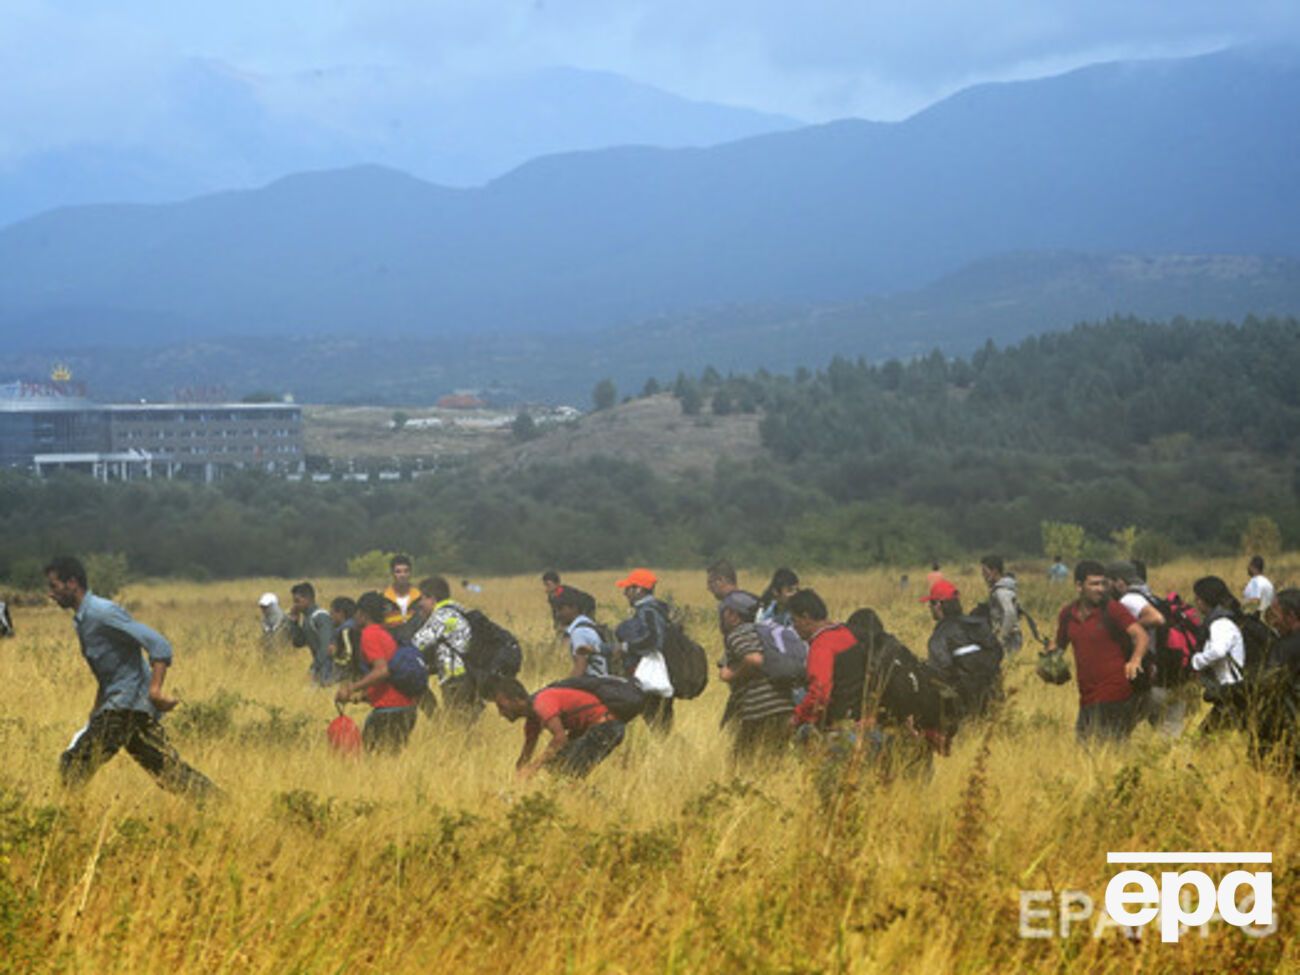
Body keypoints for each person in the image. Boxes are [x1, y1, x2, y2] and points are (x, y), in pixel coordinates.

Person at [45, 555, 217, 800]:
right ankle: (221, 806)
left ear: (72, 582)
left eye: (54, 586)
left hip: (125, 707)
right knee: (169, 772)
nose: (51, 594)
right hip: (126, 706)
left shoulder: (101, 612)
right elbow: (110, 672)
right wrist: (95, 711)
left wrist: (155, 691)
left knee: (73, 765)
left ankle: (63, 821)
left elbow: (159, 644)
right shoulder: (83, 620)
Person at [1045, 560, 1149, 743]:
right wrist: (1051, 655)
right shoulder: (1067, 614)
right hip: (1087, 695)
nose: (1100, 589)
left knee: (1110, 750)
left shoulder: (1113, 609)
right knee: (1084, 750)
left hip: (1115, 692)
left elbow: (1140, 635)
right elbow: (1060, 645)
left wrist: (1135, 660)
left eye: (1103, 583)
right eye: (1094, 584)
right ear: (1079, 586)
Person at [488, 675, 626, 778]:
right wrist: (518, 775)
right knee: (554, 768)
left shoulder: (542, 703)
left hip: (607, 728)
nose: (501, 713)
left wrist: (533, 768)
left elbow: (560, 739)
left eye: (502, 706)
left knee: (567, 775)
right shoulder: (532, 721)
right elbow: (526, 754)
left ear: (517, 700)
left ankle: (599, 805)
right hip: (599, 730)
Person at [334, 591, 417, 752]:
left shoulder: (370, 634)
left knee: (374, 763)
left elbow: (382, 671)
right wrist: (360, 697)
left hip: (389, 712)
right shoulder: (385, 633)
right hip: (405, 708)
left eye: (356, 613)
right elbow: (388, 678)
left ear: (362, 614)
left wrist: (351, 688)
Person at [1106, 561, 1182, 734]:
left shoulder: (1129, 599)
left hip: (1150, 678)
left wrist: (1130, 629)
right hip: (1170, 677)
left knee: (1116, 729)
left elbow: (1156, 618)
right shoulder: (1150, 596)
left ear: (1119, 582)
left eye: (1108, 582)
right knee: (1169, 736)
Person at [719, 591, 794, 761]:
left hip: (759, 709)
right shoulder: (765, 630)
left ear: (733, 615)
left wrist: (732, 674)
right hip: (784, 704)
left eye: (726, 612)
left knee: (740, 763)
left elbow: (754, 659)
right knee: (774, 761)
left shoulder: (738, 634)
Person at [922, 580, 1002, 719]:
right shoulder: (977, 623)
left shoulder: (940, 636)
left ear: (939, 605)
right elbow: (998, 651)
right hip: (993, 695)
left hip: (963, 705)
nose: (930, 607)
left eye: (931, 603)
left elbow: (939, 672)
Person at [789, 589, 863, 730]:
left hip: (837, 717)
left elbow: (819, 694)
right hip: (857, 711)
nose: (794, 626)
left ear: (806, 618)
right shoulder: (844, 632)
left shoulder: (821, 646)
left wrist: (797, 719)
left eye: (794, 620)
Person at [614, 568, 674, 733]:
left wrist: (626, 647)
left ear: (639, 589)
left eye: (628, 589)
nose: (625, 593)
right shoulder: (654, 609)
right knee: (660, 727)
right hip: (652, 675)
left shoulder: (648, 611)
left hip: (648, 677)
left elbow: (653, 641)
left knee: (660, 729)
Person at [410, 576, 478, 717]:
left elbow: (416, 644)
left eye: (422, 599)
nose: (420, 604)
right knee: (468, 724)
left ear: (432, 598)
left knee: (457, 725)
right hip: (472, 676)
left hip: (456, 679)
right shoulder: (459, 609)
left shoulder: (441, 616)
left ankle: (438, 723)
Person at [1191, 576, 1248, 734]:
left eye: (1197, 598)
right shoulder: (1222, 620)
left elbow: (1218, 651)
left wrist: (1196, 661)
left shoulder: (1220, 623)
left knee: (1204, 741)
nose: (1196, 602)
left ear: (1204, 600)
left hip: (1231, 691)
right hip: (1229, 693)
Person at [287, 581, 337, 686]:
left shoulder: (320, 616)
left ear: (307, 599)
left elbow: (326, 646)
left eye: (297, 601)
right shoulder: (307, 618)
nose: (295, 605)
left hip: (329, 666)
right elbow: (298, 642)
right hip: (320, 665)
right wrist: (294, 622)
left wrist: (314, 667)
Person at [554, 588, 611, 678]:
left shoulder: (579, 632)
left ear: (574, 608)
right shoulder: (588, 624)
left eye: (561, 609)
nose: (557, 614)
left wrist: (563, 686)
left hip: (593, 681)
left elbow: (580, 667)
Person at [979, 555, 1023, 658]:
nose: (983, 575)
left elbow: (1010, 613)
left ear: (994, 571)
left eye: (985, 571)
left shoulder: (1001, 591)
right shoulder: (1003, 589)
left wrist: (1001, 637)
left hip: (1009, 640)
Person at [1265, 589, 1300, 678]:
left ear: (1291, 616)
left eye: (1275, 616)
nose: (1273, 623)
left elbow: (1265, 682)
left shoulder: (1284, 648)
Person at [383, 554, 422, 631]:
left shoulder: (420, 598)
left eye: (406, 571)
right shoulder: (384, 599)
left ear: (410, 573)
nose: (402, 575)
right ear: (392, 573)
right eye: (398, 572)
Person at [328, 596, 361, 681]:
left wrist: (334, 655)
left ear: (341, 613)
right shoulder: (356, 626)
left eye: (332, 613)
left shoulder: (345, 630)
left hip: (346, 675)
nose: (330, 617)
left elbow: (349, 656)